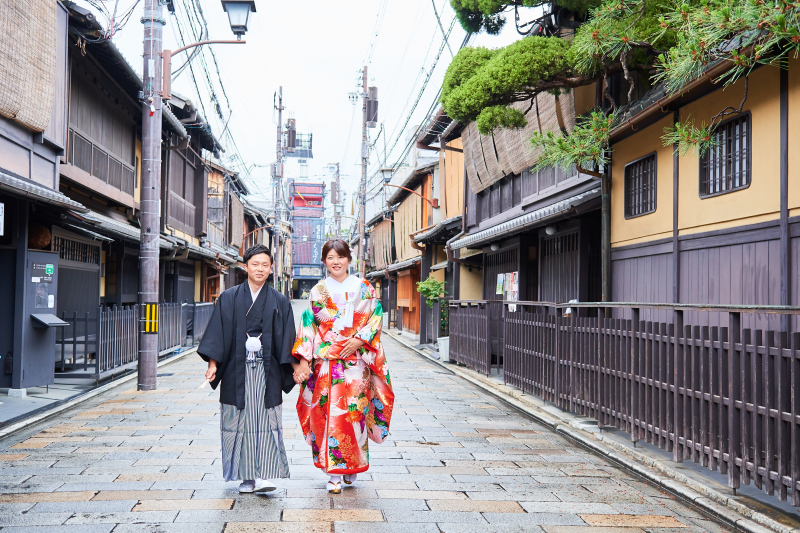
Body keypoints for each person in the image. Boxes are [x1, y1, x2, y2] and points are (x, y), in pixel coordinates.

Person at [291, 239, 394, 494]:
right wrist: (304, 362)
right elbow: (309, 327)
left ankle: (352, 466)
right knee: (327, 415)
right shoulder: (317, 291)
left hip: (356, 364)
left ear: (349, 259)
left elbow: (376, 316)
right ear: (324, 261)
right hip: (327, 365)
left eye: (340, 257)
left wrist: (359, 339)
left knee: (354, 414)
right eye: (330, 257)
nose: (335, 262)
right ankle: (333, 473)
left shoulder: (364, 287)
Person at [198, 244, 302, 494]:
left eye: (265, 265)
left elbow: (287, 338)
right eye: (255, 264)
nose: (260, 269)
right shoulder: (229, 297)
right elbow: (218, 333)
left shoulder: (279, 300)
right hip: (236, 369)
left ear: (270, 268)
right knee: (239, 420)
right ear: (245, 267)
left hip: (269, 372)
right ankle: (246, 477)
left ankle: (263, 475)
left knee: (266, 419)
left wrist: (296, 366)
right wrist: (213, 364)